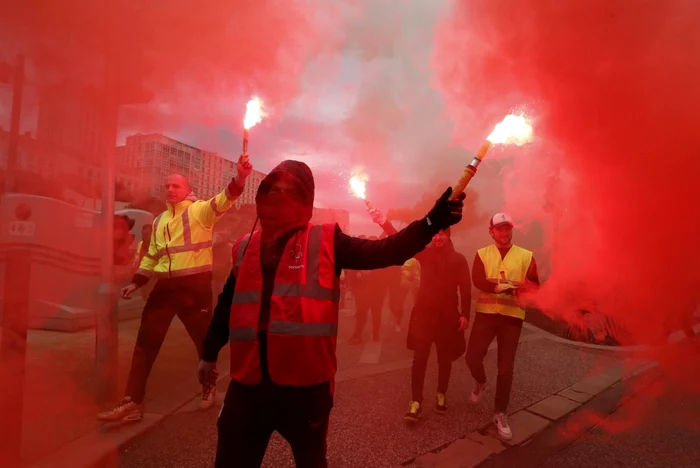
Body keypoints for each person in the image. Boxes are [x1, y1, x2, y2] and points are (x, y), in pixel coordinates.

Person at [198, 160, 466, 467]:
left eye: (290, 189)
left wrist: (430, 223)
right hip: (247, 384)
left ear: (306, 198)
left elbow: (388, 251)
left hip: (306, 389)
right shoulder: (244, 246)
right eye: (273, 187)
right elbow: (227, 301)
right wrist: (208, 353)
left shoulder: (326, 240)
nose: (279, 194)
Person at [97, 156, 253, 422]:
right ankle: (133, 402)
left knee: (204, 342)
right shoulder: (159, 221)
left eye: (176, 186)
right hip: (165, 288)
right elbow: (152, 256)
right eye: (167, 186)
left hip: (195, 288)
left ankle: (209, 386)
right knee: (145, 343)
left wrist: (240, 179)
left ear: (187, 190)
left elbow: (225, 199)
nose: (170, 189)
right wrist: (137, 281)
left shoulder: (199, 210)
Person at [371, 208, 470, 421]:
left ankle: (441, 394)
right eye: (435, 234)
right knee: (420, 359)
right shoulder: (424, 255)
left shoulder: (459, 259)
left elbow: (466, 289)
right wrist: (384, 223)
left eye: (442, 234)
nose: (437, 237)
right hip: (424, 315)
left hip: (448, 317)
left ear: (448, 236)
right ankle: (416, 401)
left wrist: (465, 315)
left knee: (445, 360)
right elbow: (403, 242)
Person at [466, 213, 539, 441]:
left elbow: (536, 286)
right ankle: (481, 382)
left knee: (505, 369)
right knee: (472, 357)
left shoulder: (526, 256)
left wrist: (517, 289)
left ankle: (500, 413)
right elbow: (476, 279)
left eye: (507, 229)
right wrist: (495, 288)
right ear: (491, 231)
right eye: (499, 229)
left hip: (512, 317)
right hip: (486, 315)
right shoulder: (482, 254)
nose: (504, 233)